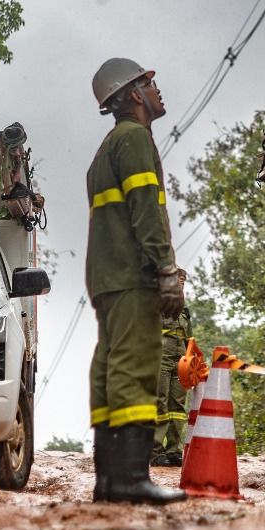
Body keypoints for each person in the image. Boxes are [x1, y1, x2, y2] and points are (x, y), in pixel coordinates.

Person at [85, 58, 186, 504]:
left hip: (108, 277)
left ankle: (109, 481)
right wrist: (166, 270)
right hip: (131, 276)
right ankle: (130, 479)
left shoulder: (107, 147)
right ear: (131, 95)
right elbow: (147, 211)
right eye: (148, 82)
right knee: (133, 368)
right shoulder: (134, 140)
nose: (156, 88)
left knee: (109, 367)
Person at [151, 304, 192, 467]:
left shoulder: (184, 310)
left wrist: (194, 361)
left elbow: (189, 339)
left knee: (178, 406)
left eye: (183, 277)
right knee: (160, 402)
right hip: (161, 358)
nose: (181, 280)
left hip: (180, 361)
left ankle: (174, 451)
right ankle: (156, 452)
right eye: (177, 277)